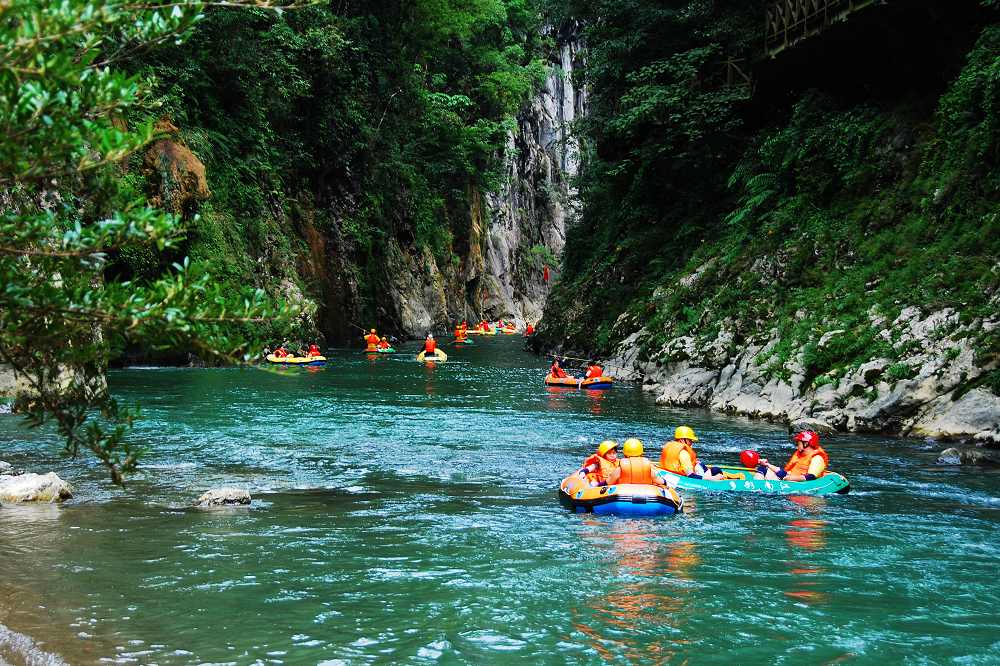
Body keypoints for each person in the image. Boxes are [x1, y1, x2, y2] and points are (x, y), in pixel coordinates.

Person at [755, 431, 829, 482]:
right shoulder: (800, 456)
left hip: (799, 484)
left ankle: (755, 488)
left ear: (806, 444)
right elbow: (784, 473)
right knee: (763, 468)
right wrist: (767, 464)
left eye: (798, 443)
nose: (797, 445)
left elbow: (811, 477)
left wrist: (789, 478)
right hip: (790, 480)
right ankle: (755, 485)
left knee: (764, 470)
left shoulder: (817, 458)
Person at [659, 426, 725, 480]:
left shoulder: (670, 447)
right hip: (682, 477)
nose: (692, 442)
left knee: (700, 464)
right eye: (690, 440)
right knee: (716, 470)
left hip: (668, 473)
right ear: (682, 440)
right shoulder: (684, 453)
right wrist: (713, 478)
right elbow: (691, 476)